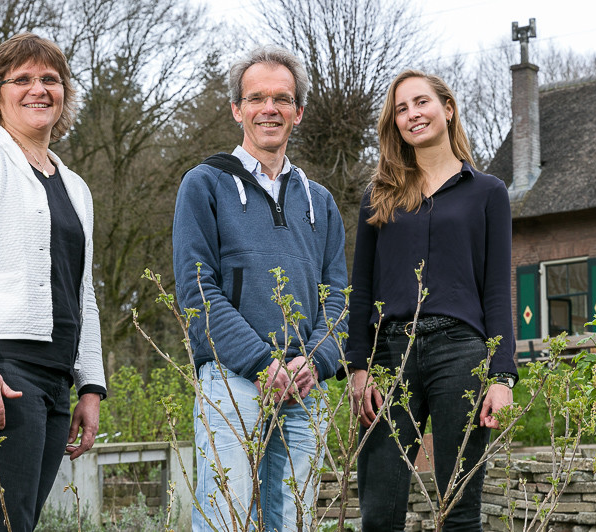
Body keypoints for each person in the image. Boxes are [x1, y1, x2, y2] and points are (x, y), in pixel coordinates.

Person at [0, 32, 106, 532]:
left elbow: (82, 292)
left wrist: (89, 386)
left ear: (65, 93)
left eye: (50, 79)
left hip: (54, 381)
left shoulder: (75, 186)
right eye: (23, 79)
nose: (39, 89)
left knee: (20, 523)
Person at [172, 45, 348, 532]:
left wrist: (315, 360)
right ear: (236, 109)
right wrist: (261, 363)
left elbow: (338, 296)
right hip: (233, 381)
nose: (269, 109)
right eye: (256, 98)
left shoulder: (320, 201)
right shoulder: (204, 185)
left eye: (282, 99)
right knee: (227, 519)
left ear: (298, 111)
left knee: (293, 522)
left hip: (305, 386)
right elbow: (196, 290)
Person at [347, 69, 518, 531]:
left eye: (420, 102)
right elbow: (361, 288)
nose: (412, 114)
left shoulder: (487, 193)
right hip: (390, 355)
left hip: (460, 353)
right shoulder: (378, 197)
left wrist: (501, 375)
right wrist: (358, 369)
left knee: (459, 509)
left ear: (447, 108)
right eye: (401, 109)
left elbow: (497, 290)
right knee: (379, 512)